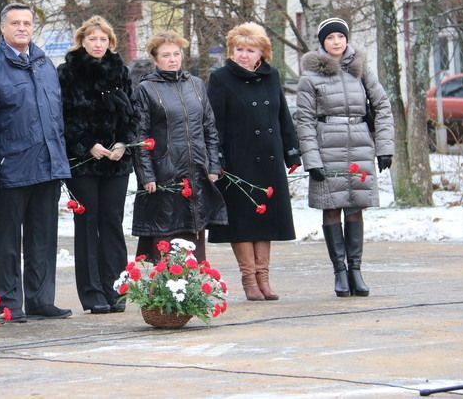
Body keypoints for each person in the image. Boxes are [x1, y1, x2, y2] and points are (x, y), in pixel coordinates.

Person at [0, 2, 72, 321]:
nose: (22, 28)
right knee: (7, 241)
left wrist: (59, 158)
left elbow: (56, 115)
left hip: (47, 166)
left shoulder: (45, 64)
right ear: (2, 28)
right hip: (11, 167)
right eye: (15, 23)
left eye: (27, 23)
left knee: (43, 238)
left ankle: (41, 299)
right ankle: (9, 302)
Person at [296, 17, 394, 297]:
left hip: (360, 145)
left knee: (355, 206)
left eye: (340, 36)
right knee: (332, 207)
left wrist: (385, 147)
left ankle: (356, 270)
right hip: (328, 146)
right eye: (330, 38)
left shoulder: (361, 71)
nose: (336, 42)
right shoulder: (311, 77)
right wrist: (311, 160)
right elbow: (304, 120)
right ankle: (339, 271)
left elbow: (382, 106)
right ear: (322, 43)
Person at [207, 22, 301, 301]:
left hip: (268, 158)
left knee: (267, 219)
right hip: (238, 160)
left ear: (262, 52)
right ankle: (249, 278)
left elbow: (282, 115)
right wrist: (217, 158)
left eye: (250, 50)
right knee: (243, 220)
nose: (244, 55)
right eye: (239, 49)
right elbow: (214, 122)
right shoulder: (221, 78)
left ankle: (264, 277)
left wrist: (291, 150)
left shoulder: (271, 77)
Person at [57, 16, 136, 314]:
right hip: (84, 161)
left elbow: (131, 114)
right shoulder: (67, 73)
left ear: (110, 42)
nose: (98, 44)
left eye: (103, 39)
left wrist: (123, 143)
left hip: (116, 161)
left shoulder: (120, 71)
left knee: (112, 223)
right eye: (93, 39)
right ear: (82, 41)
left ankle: (117, 289)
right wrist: (89, 144)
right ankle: (92, 294)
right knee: (88, 225)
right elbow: (64, 116)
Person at [131, 30, 227, 263]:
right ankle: (162, 292)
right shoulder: (146, 89)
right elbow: (140, 136)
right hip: (165, 172)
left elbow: (209, 128)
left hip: (196, 170)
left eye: (176, 54)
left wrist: (213, 165)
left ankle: (194, 288)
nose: (173, 59)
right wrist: (147, 175)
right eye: (166, 55)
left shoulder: (195, 85)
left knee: (194, 228)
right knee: (165, 232)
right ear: (155, 59)